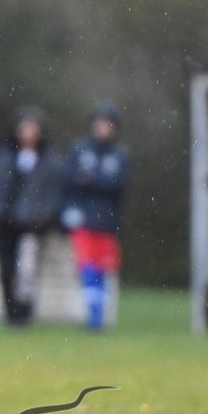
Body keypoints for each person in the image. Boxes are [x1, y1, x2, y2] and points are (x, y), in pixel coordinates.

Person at [0, 105, 63, 326]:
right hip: (5, 222)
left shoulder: (48, 159)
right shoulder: (6, 156)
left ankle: (24, 313)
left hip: (31, 224)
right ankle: (11, 313)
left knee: (27, 271)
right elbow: (0, 188)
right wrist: (0, 214)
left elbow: (51, 192)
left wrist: (40, 217)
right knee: (6, 270)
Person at [60, 101, 129, 330]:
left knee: (103, 269)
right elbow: (70, 179)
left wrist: (90, 179)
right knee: (88, 267)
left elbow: (116, 184)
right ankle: (94, 317)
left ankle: (98, 317)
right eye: (100, 123)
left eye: (108, 124)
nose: (103, 128)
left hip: (107, 222)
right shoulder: (80, 149)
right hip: (84, 220)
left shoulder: (119, 155)